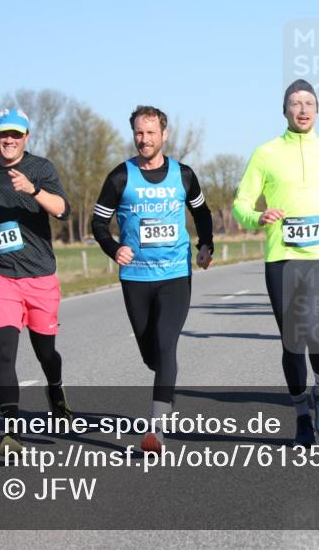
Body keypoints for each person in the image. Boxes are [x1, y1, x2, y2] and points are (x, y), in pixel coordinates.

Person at [233, 79, 319, 447]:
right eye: (295, 103)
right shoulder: (265, 152)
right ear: (284, 110)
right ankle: (301, 414)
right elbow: (241, 203)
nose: (302, 109)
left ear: (317, 111)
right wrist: (257, 217)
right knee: (292, 341)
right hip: (281, 258)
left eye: (309, 103)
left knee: (317, 332)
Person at [92, 105, 214, 452]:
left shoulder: (184, 175)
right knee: (151, 354)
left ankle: (155, 430)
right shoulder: (120, 177)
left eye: (150, 133)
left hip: (175, 273)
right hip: (135, 276)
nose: (144, 139)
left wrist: (206, 244)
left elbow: (201, 212)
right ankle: (165, 384)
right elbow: (98, 224)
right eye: (138, 133)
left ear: (164, 135)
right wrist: (113, 248)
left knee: (165, 344)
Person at [0, 108, 73, 456]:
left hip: (39, 276)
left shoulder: (41, 168)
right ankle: (12, 433)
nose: (9, 140)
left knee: (45, 352)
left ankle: (56, 388)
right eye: (3, 134)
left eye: (16, 135)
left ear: (26, 138)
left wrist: (32, 189)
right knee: (4, 353)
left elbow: (62, 209)